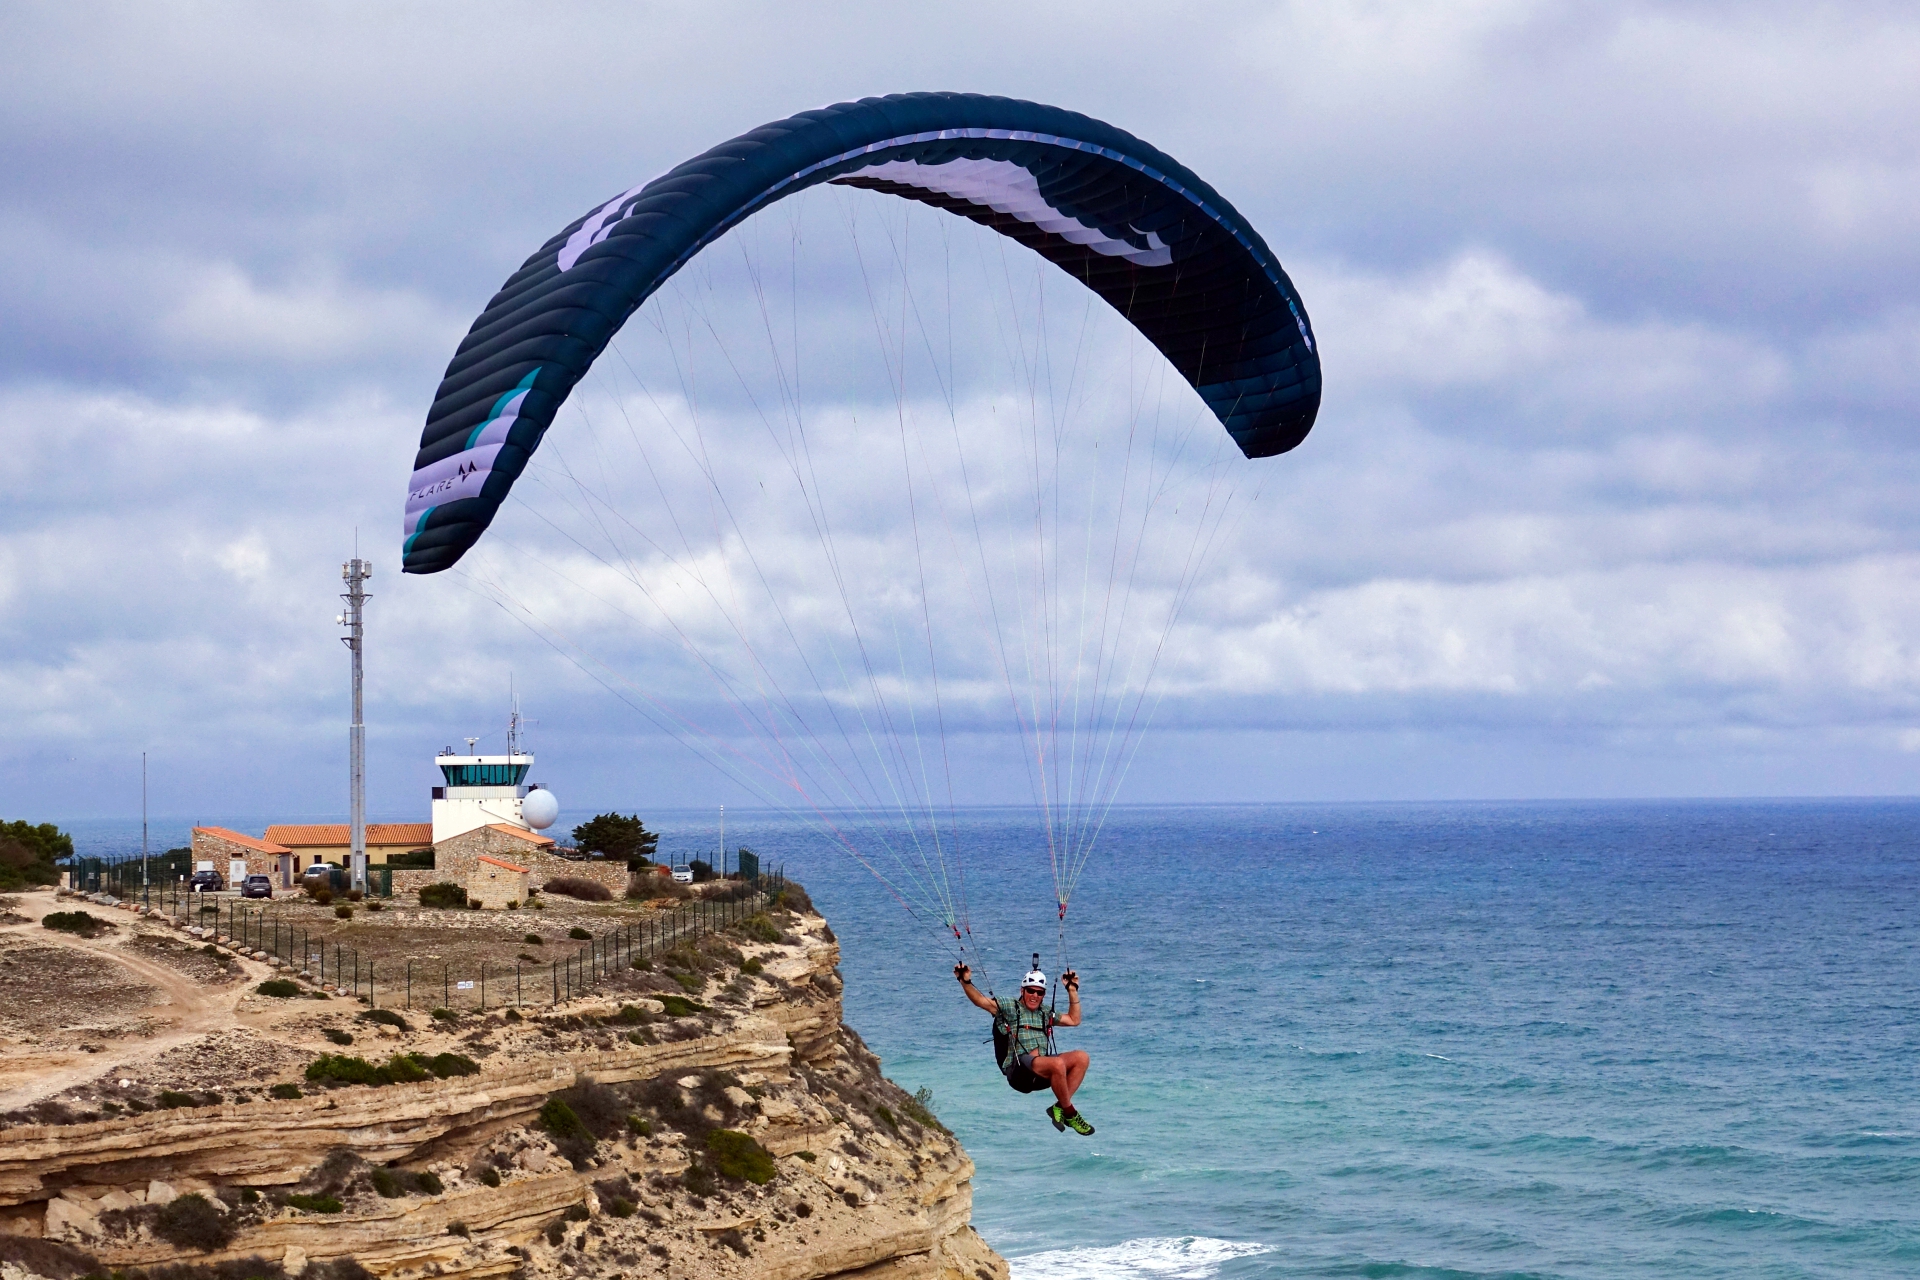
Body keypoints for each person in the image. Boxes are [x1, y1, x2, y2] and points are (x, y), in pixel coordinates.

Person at [954, 961, 1093, 1135]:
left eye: (1039, 992)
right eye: (1030, 991)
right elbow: (981, 1001)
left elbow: (1074, 1020)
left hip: (1043, 1073)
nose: (1034, 995)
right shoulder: (1010, 1007)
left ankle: (1059, 1107)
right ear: (1022, 990)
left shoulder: (1045, 1012)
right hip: (1019, 1071)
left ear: (1043, 995)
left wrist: (1072, 990)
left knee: (1082, 1058)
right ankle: (1071, 1113)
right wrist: (964, 981)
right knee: (1057, 1063)